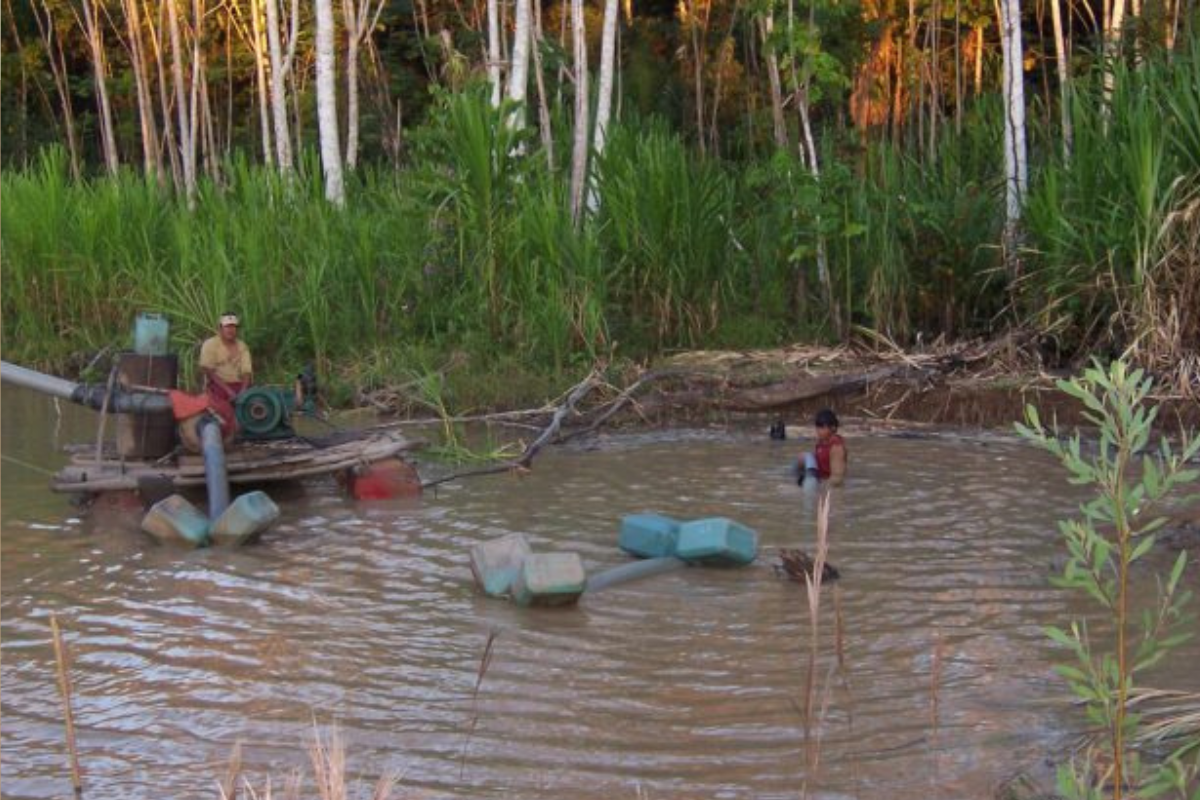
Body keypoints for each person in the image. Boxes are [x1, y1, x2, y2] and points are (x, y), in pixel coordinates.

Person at [199, 313, 253, 406]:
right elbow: (208, 370)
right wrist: (228, 391)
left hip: (239, 385)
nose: (231, 330)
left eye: (234, 327)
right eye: (227, 326)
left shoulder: (242, 345)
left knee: (256, 400)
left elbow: (246, 371)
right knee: (222, 407)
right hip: (218, 385)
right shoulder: (210, 344)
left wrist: (243, 391)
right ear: (220, 328)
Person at [798, 408, 847, 487]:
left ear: (833, 428)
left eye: (822, 427)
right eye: (817, 426)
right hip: (819, 480)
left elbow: (837, 478)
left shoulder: (836, 448)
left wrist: (819, 487)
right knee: (803, 457)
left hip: (827, 486)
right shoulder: (822, 442)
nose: (818, 430)